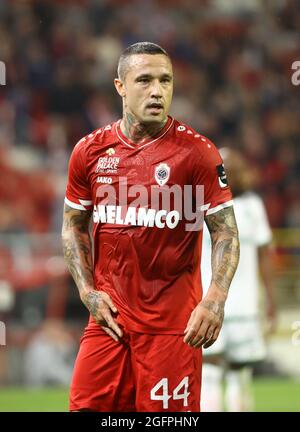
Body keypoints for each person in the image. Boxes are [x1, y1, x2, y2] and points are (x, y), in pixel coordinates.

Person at [61, 42, 240, 412]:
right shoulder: (90, 152)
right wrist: (87, 291)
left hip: (173, 329)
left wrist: (215, 299)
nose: (157, 90)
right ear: (120, 86)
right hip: (110, 322)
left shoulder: (197, 154)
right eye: (144, 80)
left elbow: (226, 232)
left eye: (165, 80)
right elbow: (73, 226)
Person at [200, 148, 276, 412]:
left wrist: (269, 299)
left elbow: (265, 256)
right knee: (236, 375)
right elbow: (266, 256)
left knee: (211, 375)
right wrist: (270, 300)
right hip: (229, 307)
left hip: (213, 306)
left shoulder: (202, 205)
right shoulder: (251, 206)